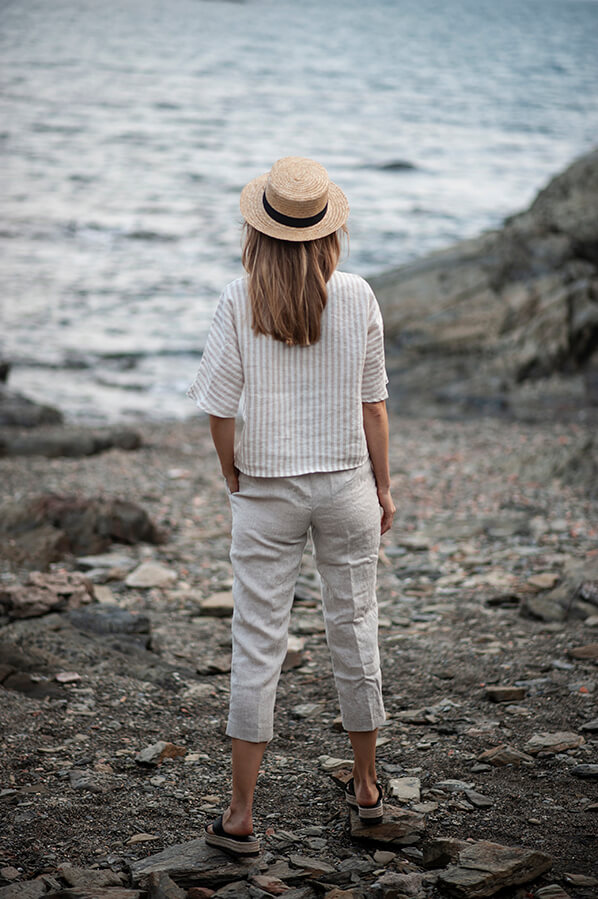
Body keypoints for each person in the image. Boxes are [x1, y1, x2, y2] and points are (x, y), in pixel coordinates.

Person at [187, 156, 395, 857]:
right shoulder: (360, 295)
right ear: (327, 230)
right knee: (355, 627)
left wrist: (232, 472)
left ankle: (241, 812)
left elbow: (218, 409)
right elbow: (375, 407)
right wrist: (385, 486)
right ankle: (366, 788)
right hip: (346, 487)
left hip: (266, 492)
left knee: (256, 642)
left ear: (261, 231)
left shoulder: (238, 298)